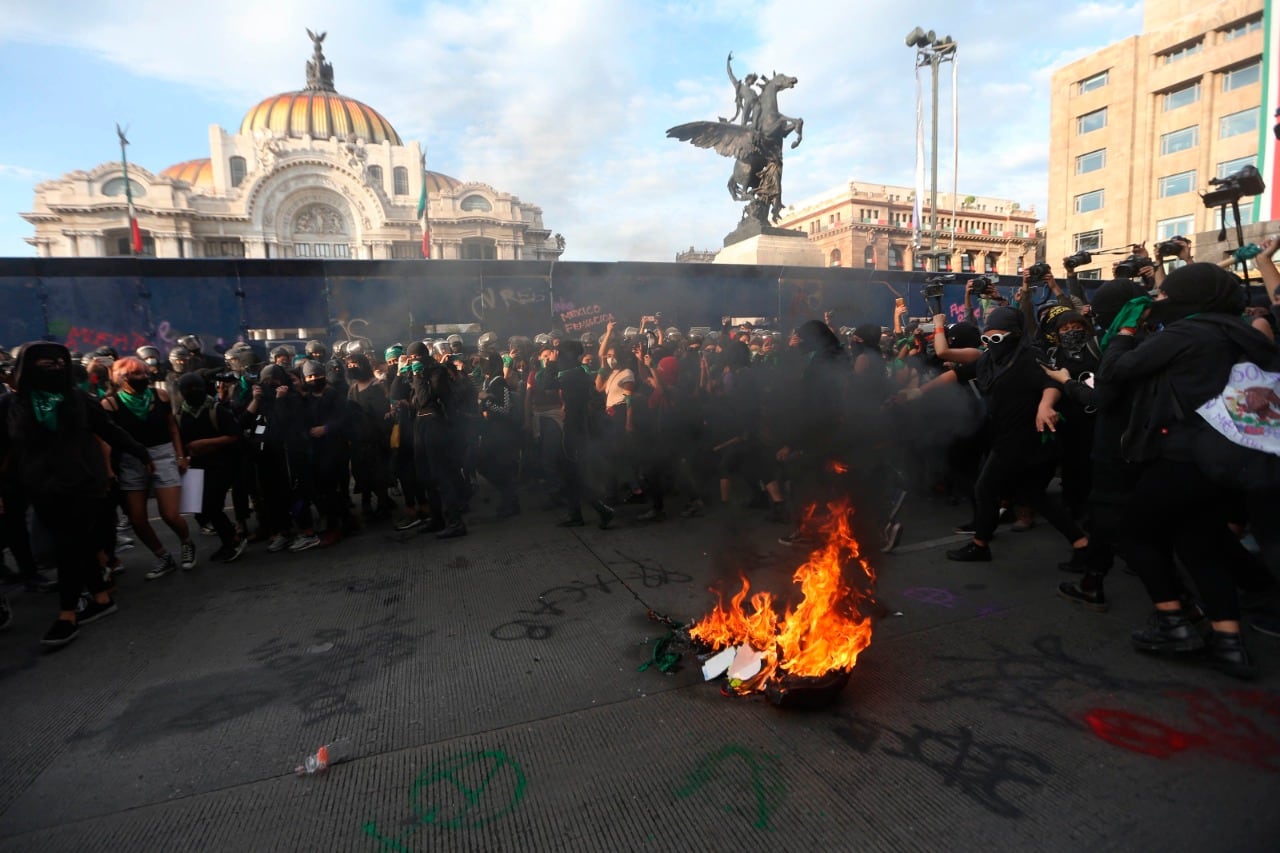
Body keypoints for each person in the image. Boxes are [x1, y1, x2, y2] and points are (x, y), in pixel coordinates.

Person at [1102, 263, 1279, 678]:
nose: (1157, 302)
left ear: (1190, 298)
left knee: (1135, 534)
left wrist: (1125, 332)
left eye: (1164, 296)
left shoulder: (1187, 332)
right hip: (1229, 459)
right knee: (1200, 543)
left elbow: (1115, 373)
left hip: (1182, 456)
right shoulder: (1244, 331)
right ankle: (1229, 643)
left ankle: (1173, 624)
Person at [0, 342, 152, 647]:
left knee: (68, 546)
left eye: (58, 363)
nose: (54, 369)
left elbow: (108, 430)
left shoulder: (78, 399)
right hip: (40, 489)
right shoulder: (10, 406)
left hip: (83, 484)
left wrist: (140, 453)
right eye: (44, 364)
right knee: (78, 545)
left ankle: (67, 614)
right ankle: (100, 596)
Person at [931, 307, 1089, 563]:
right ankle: (1082, 545)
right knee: (1033, 495)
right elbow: (957, 374)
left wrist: (1045, 405)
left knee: (985, 489)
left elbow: (1053, 381)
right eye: (987, 338)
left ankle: (980, 544)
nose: (992, 344)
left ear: (1015, 335)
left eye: (997, 338)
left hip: (1023, 438)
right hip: (1008, 435)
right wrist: (918, 392)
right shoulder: (989, 360)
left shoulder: (1030, 357)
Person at [103, 356, 195, 579]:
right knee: (137, 519)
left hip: (162, 455)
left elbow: (172, 427)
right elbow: (104, 440)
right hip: (130, 461)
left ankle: (186, 543)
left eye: (144, 373)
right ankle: (162, 556)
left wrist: (181, 455)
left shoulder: (159, 396)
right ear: (121, 377)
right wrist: (108, 469)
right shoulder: (110, 404)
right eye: (137, 374)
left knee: (170, 515)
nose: (143, 377)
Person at [176, 372, 246, 562]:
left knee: (212, 505)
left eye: (196, 387)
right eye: (188, 389)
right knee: (202, 508)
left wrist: (205, 443)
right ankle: (229, 539)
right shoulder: (181, 414)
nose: (193, 392)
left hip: (223, 463)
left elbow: (234, 435)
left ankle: (232, 540)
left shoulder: (217, 410)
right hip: (197, 466)